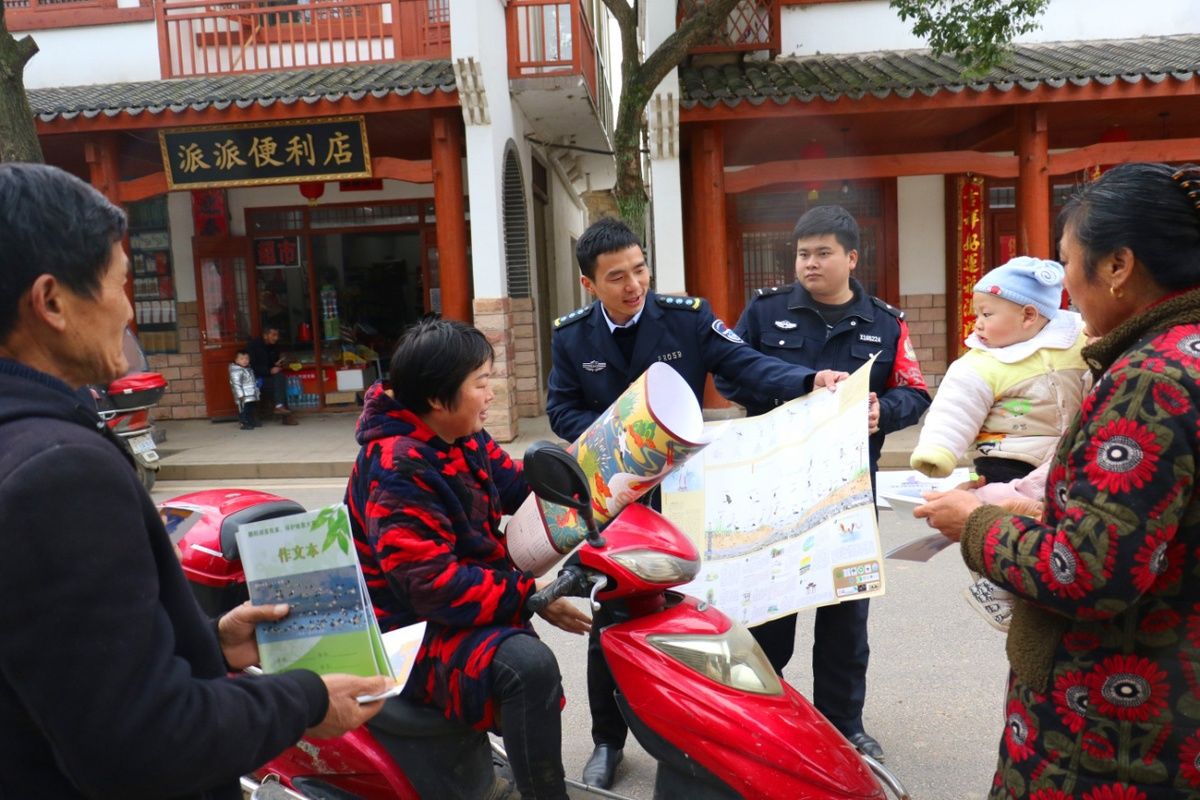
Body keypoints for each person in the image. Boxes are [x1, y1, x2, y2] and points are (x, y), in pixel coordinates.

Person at [0, 162, 388, 799]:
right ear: (51, 303)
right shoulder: (59, 473)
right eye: (119, 284)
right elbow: (144, 744)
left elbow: (64, 669)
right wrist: (305, 697)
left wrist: (209, 644)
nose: (129, 309)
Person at [915, 162, 1200, 798]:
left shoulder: (1148, 379)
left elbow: (1089, 572)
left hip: (1112, 731)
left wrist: (976, 522)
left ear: (1119, 266)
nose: (1066, 288)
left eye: (1070, 262)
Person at [547, 216, 846, 788]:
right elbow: (561, 407)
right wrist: (621, 433)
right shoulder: (572, 335)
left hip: (688, 493)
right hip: (617, 500)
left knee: (690, 612)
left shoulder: (686, 318)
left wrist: (810, 382)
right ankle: (607, 740)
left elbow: (747, 365)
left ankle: (687, 732)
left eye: (640, 270)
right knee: (610, 615)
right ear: (590, 285)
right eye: (617, 277)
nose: (634, 284)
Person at [716, 204, 931, 761]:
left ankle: (843, 725)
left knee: (845, 616)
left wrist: (883, 411)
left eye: (822, 253)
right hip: (771, 490)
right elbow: (727, 371)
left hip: (848, 496)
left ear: (851, 258)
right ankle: (763, 717)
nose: (809, 263)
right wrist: (790, 394)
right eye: (802, 253)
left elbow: (916, 390)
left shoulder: (886, 323)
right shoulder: (764, 314)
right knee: (767, 614)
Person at [346, 318, 591, 800]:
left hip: (456, 611)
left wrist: (599, 477)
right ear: (438, 398)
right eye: (480, 383)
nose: (491, 394)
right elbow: (431, 585)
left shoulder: (460, 436)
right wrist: (532, 597)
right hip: (409, 632)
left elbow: (518, 486)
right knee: (528, 666)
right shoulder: (398, 468)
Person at [910, 256, 1089, 484]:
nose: (977, 324)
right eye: (977, 315)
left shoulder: (1080, 340)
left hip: (1078, 455)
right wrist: (937, 449)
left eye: (986, 314)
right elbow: (955, 410)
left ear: (1028, 316)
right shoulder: (980, 363)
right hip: (1008, 457)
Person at [247, 325, 298, 425]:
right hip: (256, 379)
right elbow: (251, 367)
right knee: (278, 384)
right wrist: (269, 371)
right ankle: (284, 414)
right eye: (273, 335)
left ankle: (279, 407)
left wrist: (276, 364)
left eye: (277, 335)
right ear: (265, 335)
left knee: (280, 378)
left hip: (269, 378)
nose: (276, 338)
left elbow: (271, 363)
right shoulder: (253, 346)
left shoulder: (273, 346)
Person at [229, 348, 260, 429]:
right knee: (244, 410)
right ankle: (244, 423)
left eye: (247, 358)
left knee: (251, 409)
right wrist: (240, 395)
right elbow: (236, 384)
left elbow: (252, 381)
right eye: (242, 359)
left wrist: (256, 390)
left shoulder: (248, 369)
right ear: (236, 361)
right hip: (243, 396)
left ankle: (251, 421)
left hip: (251, 394)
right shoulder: (236, 371)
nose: (245, 360)